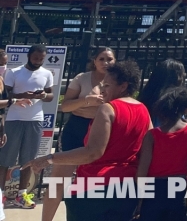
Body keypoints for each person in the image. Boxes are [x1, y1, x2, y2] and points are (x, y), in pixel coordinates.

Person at [24, 59, 150, 221]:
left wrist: (49, 159)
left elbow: (93, 153)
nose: (102, 90)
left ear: (123, 86)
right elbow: (148, 150)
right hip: (127, 189)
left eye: (107, 86)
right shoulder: (144, 110)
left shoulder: (108, 109)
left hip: (93, 187)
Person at [43, 46, 116, 221]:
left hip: (101, 130)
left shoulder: (118, 81)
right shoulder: (82, 78)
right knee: (58, 180)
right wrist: (86, 101)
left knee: (94, 180)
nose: (105, 63)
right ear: (94, 61)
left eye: (110, 59)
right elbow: (65, 106)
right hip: (77, 128)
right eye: (101, 59)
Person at [0, 43, 55, 209]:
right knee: (5, 159)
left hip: (35, 120)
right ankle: (0, 195)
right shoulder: (14, 72)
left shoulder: (46, 74)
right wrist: (23, 95)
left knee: (29, 159)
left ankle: (22, 195)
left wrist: (43, 95)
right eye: (35, 58)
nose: (38, 61)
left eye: (41, 59)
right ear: (29, 56)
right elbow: (6, 94)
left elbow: (51, 96)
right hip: (14, 119)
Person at [136, 86, 187, 221]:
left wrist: (139, 201)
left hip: (154, 188)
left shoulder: (152, 135)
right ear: (186, 109)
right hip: (178, 186)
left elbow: (142, 171)